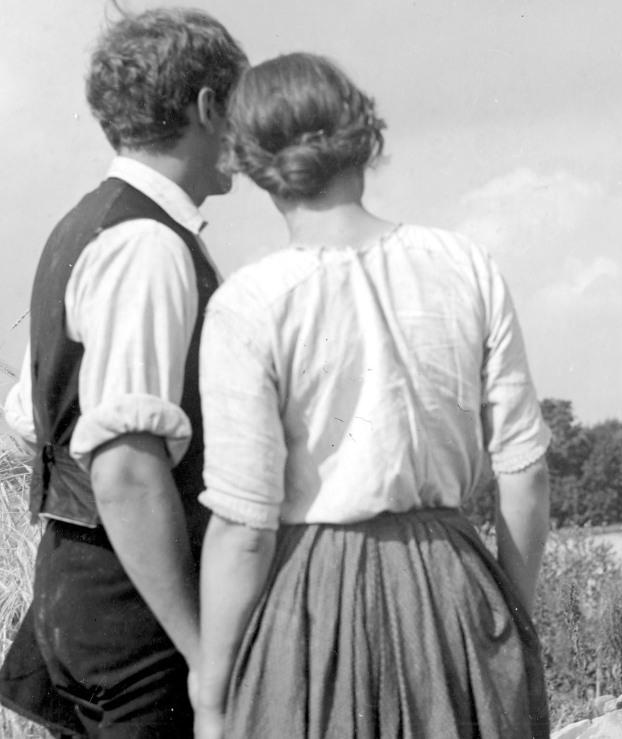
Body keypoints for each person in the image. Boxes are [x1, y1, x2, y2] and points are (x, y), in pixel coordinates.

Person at [191, 53, 551, 739]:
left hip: (313, 606)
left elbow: (241, 529)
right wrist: (511, 609)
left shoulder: (249, 303)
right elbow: (525, 471)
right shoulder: (463, 264)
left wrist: (211, 691)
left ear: (253, 162)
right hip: (454, 588)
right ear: (364, 136)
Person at [0, 9, 247, 736]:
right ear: (207, 106)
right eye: (241, 106)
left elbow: (25, 426)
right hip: (140, 607)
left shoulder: (83, 226)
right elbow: (126, 471)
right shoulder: (146, 243)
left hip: (81, 590)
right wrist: (207, 653)